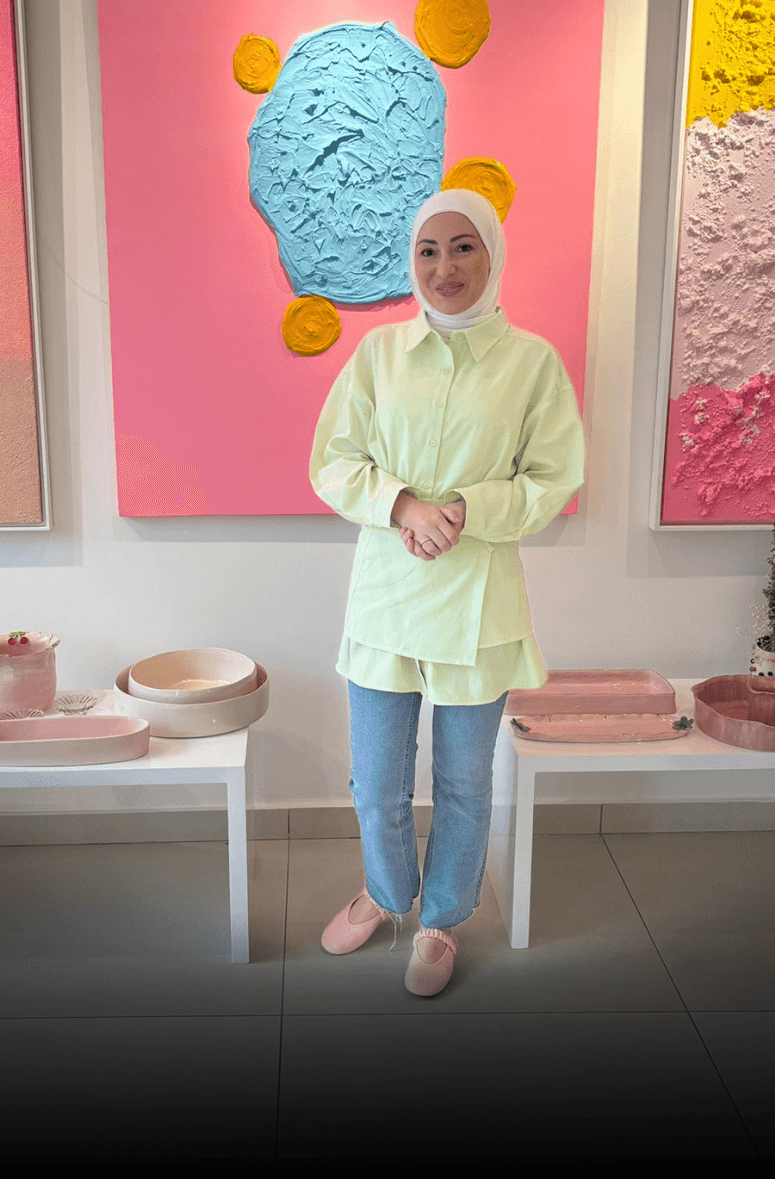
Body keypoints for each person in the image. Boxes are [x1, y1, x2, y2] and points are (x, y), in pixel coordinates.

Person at [308, 187, 585, 995]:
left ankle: (440, 919)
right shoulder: (379, 355)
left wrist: (468, 510)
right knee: (376, 779)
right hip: (388, 594)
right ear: (412, 260)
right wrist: (402, 505)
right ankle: (385, 893)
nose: (445, 266)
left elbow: (554, 477)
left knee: (464, 781)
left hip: (479, 599)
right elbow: (334, 460)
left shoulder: (531, 363)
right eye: (429, 250)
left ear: (492, 254)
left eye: (463, 246)